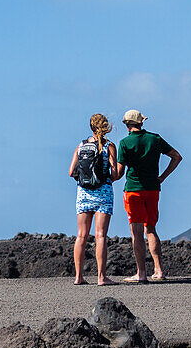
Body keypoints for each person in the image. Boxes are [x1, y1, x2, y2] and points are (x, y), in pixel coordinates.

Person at [116, 109, 182, 283]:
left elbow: (119, 172)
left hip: (133, 189)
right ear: (141, 122)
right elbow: (176, 157)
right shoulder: (155, 139)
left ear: (126, 124)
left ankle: (141, 273)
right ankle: (159, 270)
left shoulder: (124, 143)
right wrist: (163, 177)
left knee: (137, 233)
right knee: (151, 228)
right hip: (153, 188)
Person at [68, 113, 119, 286]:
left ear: (91, 127)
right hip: (103, 192)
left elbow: (71, 172)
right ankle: (101, 277)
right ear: (106, 127)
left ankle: (78, 277)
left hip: (83, 194)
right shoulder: (109, 146)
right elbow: (115, 174)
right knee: (101, 236)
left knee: (81, 235)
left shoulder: (81, 145)